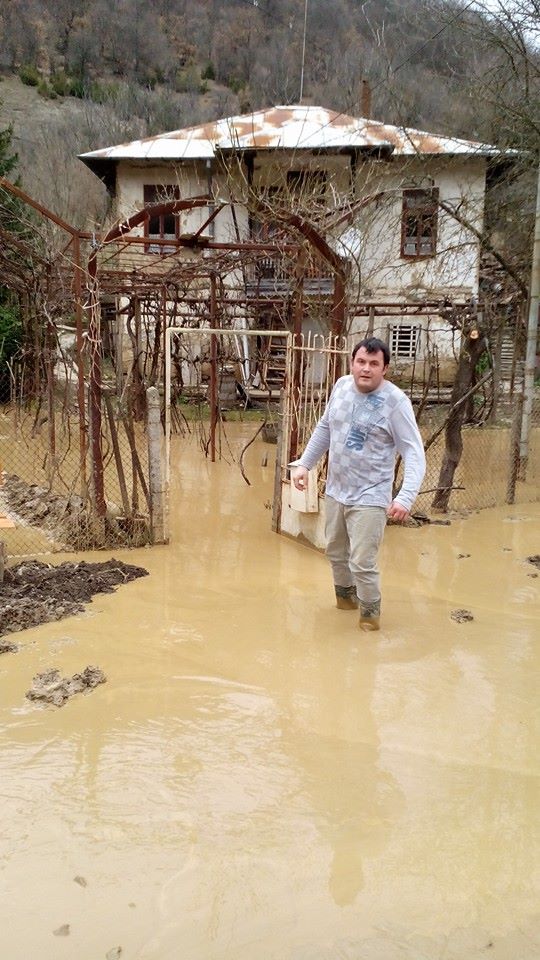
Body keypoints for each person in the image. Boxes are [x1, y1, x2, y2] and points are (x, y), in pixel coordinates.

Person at [290, 337, 426, 631]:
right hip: (337, 490)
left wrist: (405, 497)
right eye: (361, 362)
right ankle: (345, 602)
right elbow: (325, 427)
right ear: (352, 363)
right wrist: (305, 464)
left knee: (362, 562)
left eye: (374, 364)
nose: (366, 369)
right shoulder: (341, 387)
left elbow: (414, 451)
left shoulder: (396, 403)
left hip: (370, 496)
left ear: (385, 368)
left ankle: (369, 618)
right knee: (335, 553)